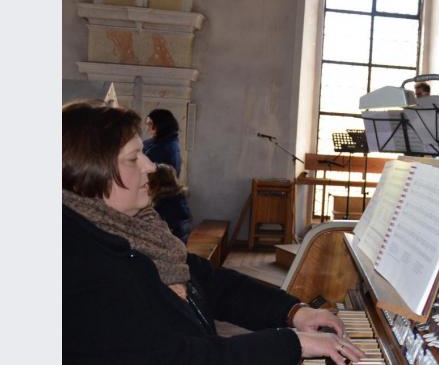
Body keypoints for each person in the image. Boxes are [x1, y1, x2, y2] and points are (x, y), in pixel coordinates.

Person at [63, 101, 365, 365]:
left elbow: (211, 284)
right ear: (89, 173)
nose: (150, 166)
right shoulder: (80, 266)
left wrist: (294, 312)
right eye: (133, 158)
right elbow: (177, 359)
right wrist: (292, 342)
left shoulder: (138, 229)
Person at [148, 163, 193, 243]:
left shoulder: (163, 205)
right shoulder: (178, 198)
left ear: (155, 184)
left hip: (173, 246)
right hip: (182, 241)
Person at [144, 108, 183, 176]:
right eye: (146, 124)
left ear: (160, 124)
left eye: (150, 124)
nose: (147, 128)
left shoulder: (164, 147)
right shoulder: (168, 142)